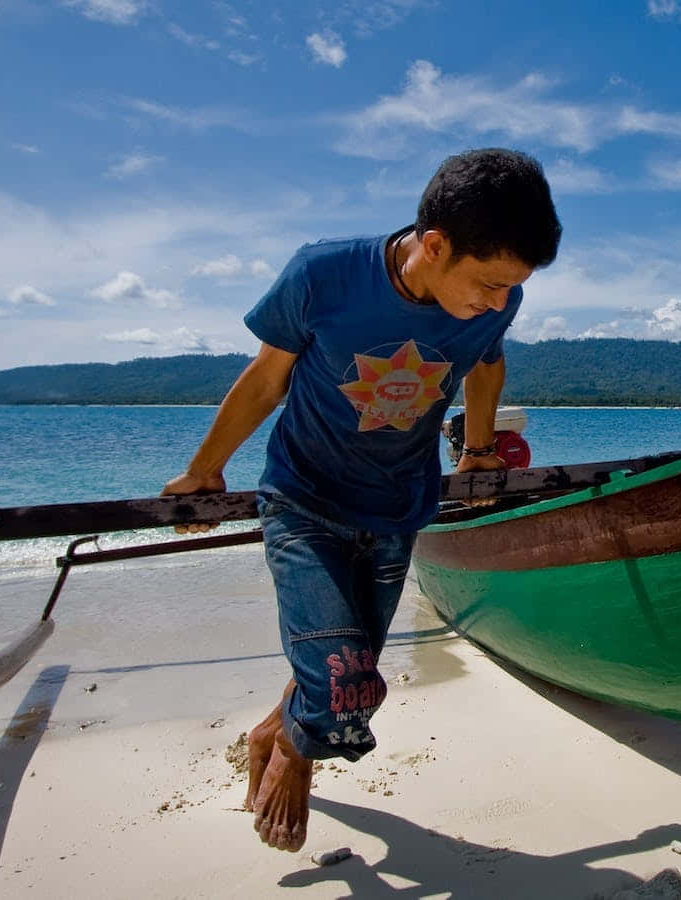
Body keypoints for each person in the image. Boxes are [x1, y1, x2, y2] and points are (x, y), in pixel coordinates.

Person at [162, 148, 561, 852]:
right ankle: (295, 755)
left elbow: (488, 362)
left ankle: (274, 731)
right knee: (345, 688)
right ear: (435, 245)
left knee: (346, 673)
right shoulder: (325, 274)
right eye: (489, 283)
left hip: (397, 509)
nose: (500, 302)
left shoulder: (497, 303)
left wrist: (477, 450)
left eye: (512, 289)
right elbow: (265, 380)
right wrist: (204, 470)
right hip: (305, 499)